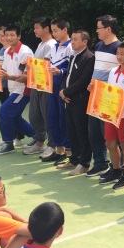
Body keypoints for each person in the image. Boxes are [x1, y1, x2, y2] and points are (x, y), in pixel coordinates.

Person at [98, 41, 124, 190]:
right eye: (117, 53)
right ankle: (116, 170)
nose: (119, 56)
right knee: (109, 143)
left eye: (122, 54)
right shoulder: (113, 71)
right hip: (111, 113)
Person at [85, 15, 122, 177]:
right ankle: (100, 163)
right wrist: (92, 83)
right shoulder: (99, 46)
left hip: (109, 98)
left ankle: (119, 167)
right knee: (93, 132)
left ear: (108, 29)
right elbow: (97, 69)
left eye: (99, 28)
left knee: (110, 136)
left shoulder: (119, 48)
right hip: (95, 95)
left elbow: (122, 73)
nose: (96, 31)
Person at [0, 25, 37, 156]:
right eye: (6, 35)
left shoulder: (25, 52)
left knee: (4, 112)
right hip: (13, 89)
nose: (9, 38)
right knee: (15, 117)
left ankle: (8, 143)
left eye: (12, 35)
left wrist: (8, 77)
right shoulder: (7, 51)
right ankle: (37, 136)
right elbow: (4, 70)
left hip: (23, 90)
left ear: (19, 36)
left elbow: (27, 77)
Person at [59, 30, 95, 176]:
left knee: (82, 132)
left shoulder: (89, 57)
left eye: (75, 39)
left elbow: (83, 81)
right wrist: (62, 91)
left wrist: (66, 92)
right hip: (69, 100)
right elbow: (67, 76)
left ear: (84, 42)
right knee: (72, 131)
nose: (72, 42)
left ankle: (84, 163)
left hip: (80, 101)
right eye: (72, 39)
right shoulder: (73, 55)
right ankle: (74, 159)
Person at [25, 17, 56, 155]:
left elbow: (46, 64)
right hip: (36, 84)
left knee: (47, 116)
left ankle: (53, 145)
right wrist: (29, 66)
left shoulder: (51, 45)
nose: (34, 30)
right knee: (35, 115)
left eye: (37, 28)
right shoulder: (41, 44)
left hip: (45, 85)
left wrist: (32, 66)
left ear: (46, 29)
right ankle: (39, 143)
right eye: (34, 28)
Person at [43, 18, 72, 163]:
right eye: (52, 31)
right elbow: (46, 63)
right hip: (51, 87)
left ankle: (69, 152)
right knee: (52, 119)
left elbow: (72, 68)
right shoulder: (54, 46)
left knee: (63, 120)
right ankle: (59, 150)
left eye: (55, 31)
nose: (53, 34)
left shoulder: (70, 47)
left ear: (65, 30)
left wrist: (60, 71)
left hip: (62, 87)